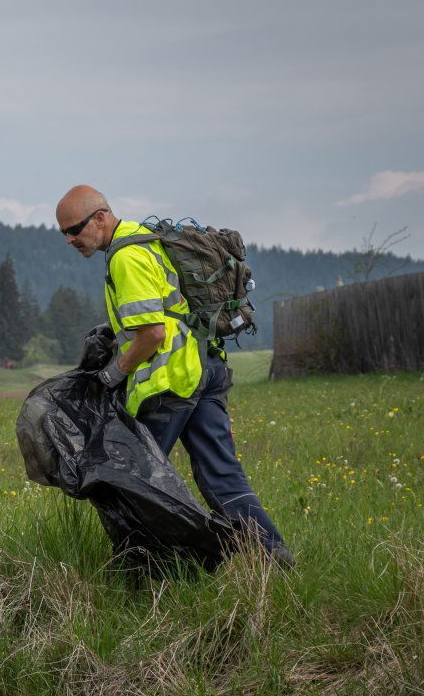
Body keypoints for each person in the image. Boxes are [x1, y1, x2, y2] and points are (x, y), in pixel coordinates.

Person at [55, 185, 293, 566]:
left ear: (100, 217)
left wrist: (112, 374)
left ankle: (149, 575)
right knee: (223, 477)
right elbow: (168, 311)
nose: (69, 239)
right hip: (205, 370)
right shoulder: (146, 241)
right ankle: (274, 558)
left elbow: (153, 334)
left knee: (134, 485)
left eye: (74, 229)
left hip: (170, 385)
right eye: (63, 232)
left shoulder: (125, 257)